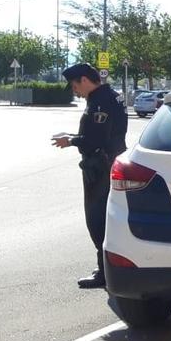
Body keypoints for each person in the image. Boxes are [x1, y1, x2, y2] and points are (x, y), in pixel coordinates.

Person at [52, 64, 128, 289]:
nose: (75, 91)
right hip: (110, 161)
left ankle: (105, 272)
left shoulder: (99, 102)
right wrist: (74, 136)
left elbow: (95, 139)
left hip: (100, 166)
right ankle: (108, 267)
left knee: (97, 219)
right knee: (108, 217)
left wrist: (71, 141)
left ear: (84, 80)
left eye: (75, 85)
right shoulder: (111, 96)